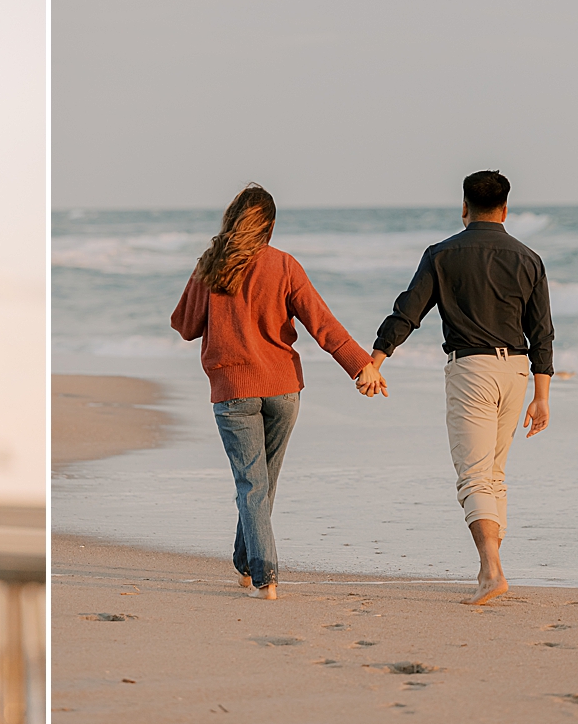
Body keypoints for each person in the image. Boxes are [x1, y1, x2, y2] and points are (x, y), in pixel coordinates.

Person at [171, 184, 384, 600]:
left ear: (232, 219)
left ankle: (265, 577)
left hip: (233, 392)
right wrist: (363, 366)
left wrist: (207, 279)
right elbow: (324, 325)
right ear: (269, 226)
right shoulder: (284, 265)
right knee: (261, 483)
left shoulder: (211, 266)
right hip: (283, 390)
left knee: (252, 485)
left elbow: (185, 326)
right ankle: (245, 565)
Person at [369, 170, 552, 606]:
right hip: (517, 373)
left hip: (471, 369)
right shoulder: (528, 258)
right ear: (505, 209)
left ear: (464, 207)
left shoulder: (441, 254)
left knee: (473, 477)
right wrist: (542, 397)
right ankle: (489, 569)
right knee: (494, 475)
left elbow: (408, 312)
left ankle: (492, 570)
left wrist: (375, 360)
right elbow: (542, 332)